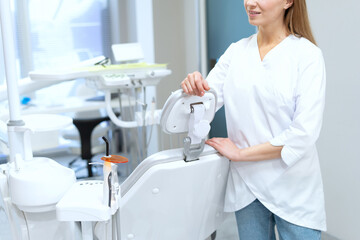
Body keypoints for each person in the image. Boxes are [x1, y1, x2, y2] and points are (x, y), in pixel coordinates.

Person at [181, 0, 326, 239]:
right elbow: (200, 107)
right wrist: (191, 88)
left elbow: (304, 134)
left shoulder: (307, 55)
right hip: (247, 187)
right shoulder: (236, 52)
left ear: (288, 2)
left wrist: (240, 154)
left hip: (294, 188)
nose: (250, 2)